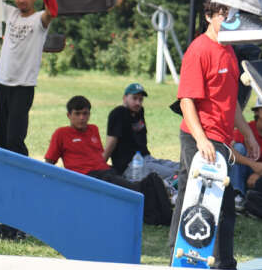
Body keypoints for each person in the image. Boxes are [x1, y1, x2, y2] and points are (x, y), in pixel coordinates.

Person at [167, 0, 260, 270]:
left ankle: (184, 258)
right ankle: (220, 264)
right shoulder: (199, 50)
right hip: (200, 137)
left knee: (195, 198)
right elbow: (186, 101)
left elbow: (231, 103)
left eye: (232, 17)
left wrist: (248, 134)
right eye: (222, 16)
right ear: (208, 17)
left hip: (221, 137)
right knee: (214, 203)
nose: (228, 21)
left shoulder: (229, 50)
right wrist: (201, 139)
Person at [44, 95, 173, 225]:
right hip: (88, 177)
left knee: (151, 180)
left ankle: (163, 211)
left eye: (85, 113)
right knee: (137, 189)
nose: (82, 118)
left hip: (107, 172)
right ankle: (158, 215)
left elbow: (98, 156)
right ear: (69, 115)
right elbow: (49, 162)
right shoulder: (61, 133)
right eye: (77, 114)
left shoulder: (93, 129)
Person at [0, 0, 52, 156]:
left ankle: (21, 169)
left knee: (14, 139)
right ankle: (1, 169)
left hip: (23, 86)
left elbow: (51, 12)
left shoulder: (39, 18)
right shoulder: (11, 13)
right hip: (2, 82)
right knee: (0, 138)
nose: (21, 0)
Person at [103, 82, 177, 182]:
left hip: (146, 159)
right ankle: (170, 191)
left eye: (141, 99)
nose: (138, 103)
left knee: (181, 167)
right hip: (130, 166)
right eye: (134, 98)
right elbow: (111, 142)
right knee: (172, 174)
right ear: (124, 98)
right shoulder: (118, 113)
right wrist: (101, 165)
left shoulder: (139, 112)